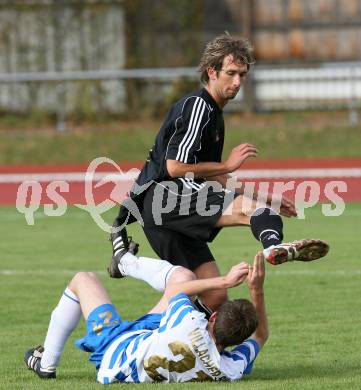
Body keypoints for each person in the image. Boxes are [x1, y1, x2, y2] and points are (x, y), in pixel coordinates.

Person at [110, 34, 329, 311]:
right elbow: (174, 167)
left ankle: (142, 343)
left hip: (159, 216)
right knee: (255, 212)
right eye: (231, 73)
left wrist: (267, 196)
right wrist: (229, 165)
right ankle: (273, 247)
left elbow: (213, 175)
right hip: (166, 198)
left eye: (242, 75)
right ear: (212, 72)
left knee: (211, 298)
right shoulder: (199, 106)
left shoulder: (213, 114)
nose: (237, 82)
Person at [25, 247, 268, 383]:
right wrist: (256, 291)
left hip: (116, 352)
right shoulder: (229, 369)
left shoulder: (190, 321)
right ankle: (125, 263)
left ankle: (46, 364)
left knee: (83, 279)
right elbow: (261, 336)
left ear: (212, 318)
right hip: (152, 339)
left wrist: (225, 281)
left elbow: (174, 291)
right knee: (184, 278)